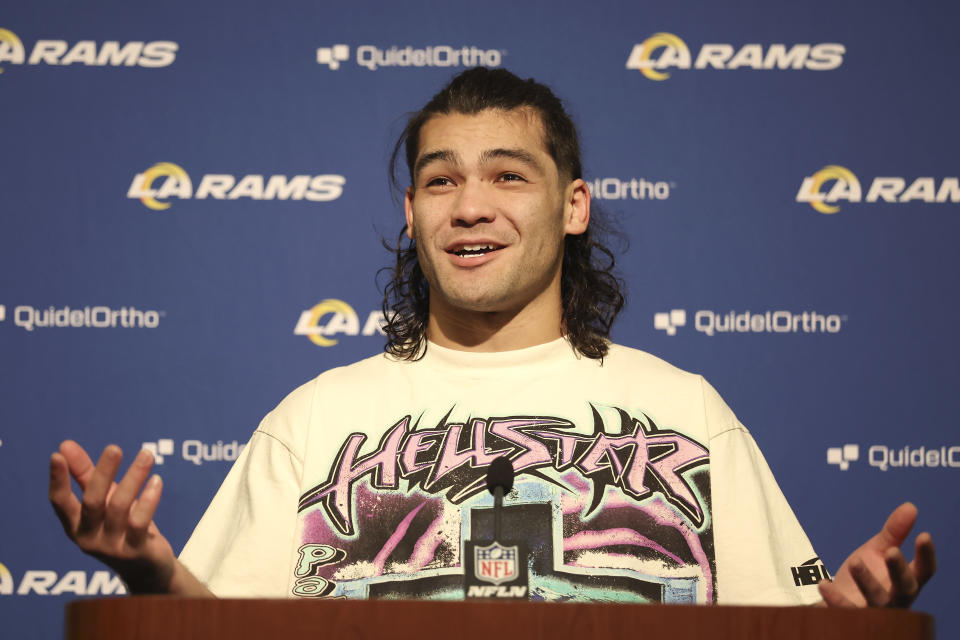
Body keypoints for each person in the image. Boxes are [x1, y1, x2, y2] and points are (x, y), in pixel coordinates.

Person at [49, 68, 934, 606]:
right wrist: (152, 578)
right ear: (411, 214)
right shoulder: (317, 418)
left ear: (573, 205)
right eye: (441, 181)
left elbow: (774, 624)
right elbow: (222, 628)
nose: (470, 205)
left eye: (509, 175)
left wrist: (843, 621)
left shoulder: (684, 410)